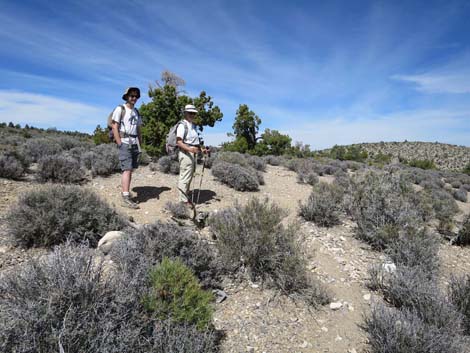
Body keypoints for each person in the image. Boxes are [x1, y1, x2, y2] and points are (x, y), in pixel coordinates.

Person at [112, 87, 142, 209]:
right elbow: (115, 126)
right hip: (125, 142)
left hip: (134, 142)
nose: (134, 98)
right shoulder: (120, 109)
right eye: (131, 96)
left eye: (136, 96)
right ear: (127, 96)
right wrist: (119, 142)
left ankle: (126, 193)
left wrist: (140, 142)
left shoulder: (136, 111)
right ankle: (125, 196)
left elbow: (138, 128)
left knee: (131, 169)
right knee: (127, 169)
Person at [176, 104, 208, 204]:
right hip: (186, 154)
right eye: (190, 113)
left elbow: (196, 142)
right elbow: (179, 142)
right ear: (185, 113)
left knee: (189, 176)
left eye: (193, 113)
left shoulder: (193, 126)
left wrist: (201, 150)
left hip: (192, 154)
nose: (192, 115)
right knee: (185, 176)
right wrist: (190, 149)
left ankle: (186, 196)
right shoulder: (182, 125)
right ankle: (183, 200)